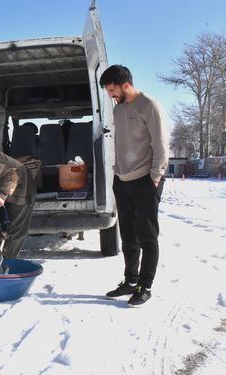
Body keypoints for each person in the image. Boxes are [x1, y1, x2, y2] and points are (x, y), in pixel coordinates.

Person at [99, 65, 169, 307]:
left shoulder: (149, 105)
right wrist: (116, 174)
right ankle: (130, 280)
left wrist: (155, 177)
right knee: (128, 236)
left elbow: (161, 145)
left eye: (111, 89)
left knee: (147, 236)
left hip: (146, 180)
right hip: (122, 180)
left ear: (125, 84)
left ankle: (145, 286)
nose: (110, 95)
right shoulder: (118, 111)